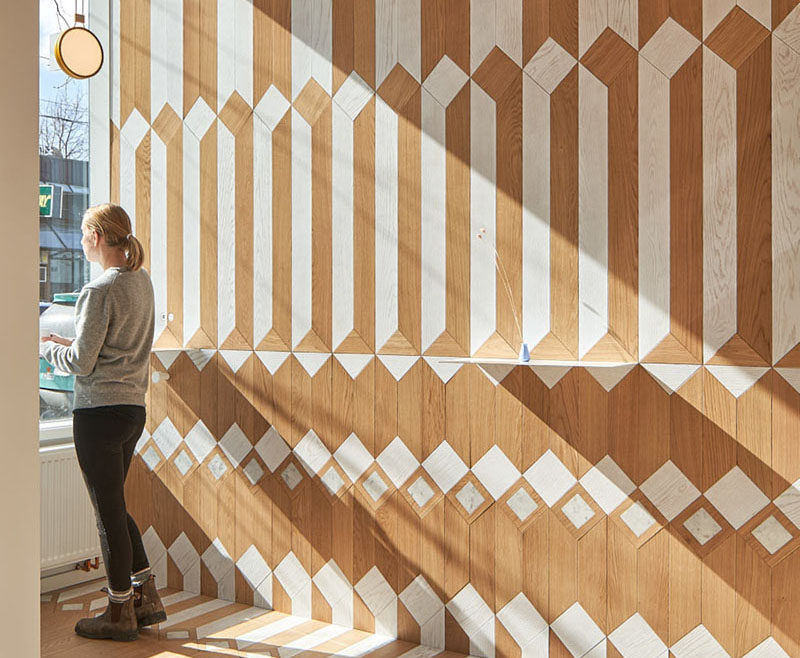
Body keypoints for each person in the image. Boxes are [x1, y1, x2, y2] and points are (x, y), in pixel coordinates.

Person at [40, 203, 165, 641]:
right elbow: (113, 345)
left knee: (107, 512)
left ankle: (118, 612)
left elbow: (81, 362)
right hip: (132, 411)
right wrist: (68, 341)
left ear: (96, 236)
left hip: (97, 414)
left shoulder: (98, 289)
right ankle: (145, 595)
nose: (78, 240)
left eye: (81, 233)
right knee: (115, 505)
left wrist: (46, 349)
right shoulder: (141, 283)